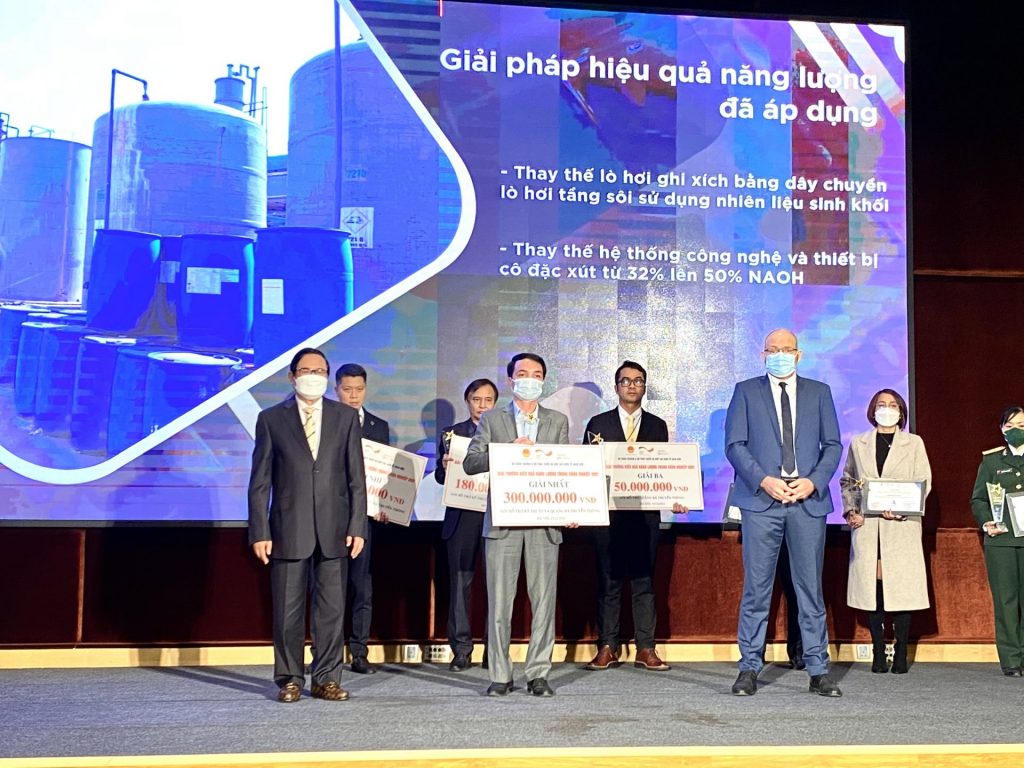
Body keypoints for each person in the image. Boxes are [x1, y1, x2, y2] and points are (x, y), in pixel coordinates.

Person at [724, 328, 843, 697]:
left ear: (798, 354)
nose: (779, 355)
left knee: (810, 589)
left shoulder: (819, 392)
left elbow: (833, 444)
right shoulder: (746, 391)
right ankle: (749, 667)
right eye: (772, 350)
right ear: (763, 355)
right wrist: (763, 480)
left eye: (786, 349)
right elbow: (735, 444)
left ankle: (818, 669)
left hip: (807, 502)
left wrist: (813, 481)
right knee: (756, 589)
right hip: (762, 501)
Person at [248, 348, 367, 703]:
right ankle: (289, 679)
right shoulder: (271, 419)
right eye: (306, 370)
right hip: (288, 527)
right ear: (292, 376)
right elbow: (260, 482)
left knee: (331, 611)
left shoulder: (345, 417)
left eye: (320, 371)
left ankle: (326, 678)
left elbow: (356, 478)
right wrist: (260, 531)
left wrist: (357, 525)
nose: (313, 376)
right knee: (287, 610)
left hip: (335, 528)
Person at [463, 352, 571, 697]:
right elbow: (470, 462)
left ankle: (538, 673)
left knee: (544, 603)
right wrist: (506, 450)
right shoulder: (492, 419)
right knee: (500, 603)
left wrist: (573, 506)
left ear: (544, 381)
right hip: (503, 522)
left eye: (536, 374)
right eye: (523, 374)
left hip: (544, 522)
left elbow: (567, 467)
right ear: (511, 380)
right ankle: (500, 674)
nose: (530, 379)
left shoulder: (557, 421)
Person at [582, 361, 684, 672]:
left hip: (644, 518)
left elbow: (665, 470)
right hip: (608, 517)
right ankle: (607, 647)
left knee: (644, 583)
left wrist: (677, 495)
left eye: (638, 381)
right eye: (625, 381)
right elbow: (586, 469)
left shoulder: (657, 425)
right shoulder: (597, 423)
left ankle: (646, 647)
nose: (631, 386)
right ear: (616, 387)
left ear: (644, 387)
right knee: (608, 583)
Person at [841, 389, 932, 674]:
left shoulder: (914, 443)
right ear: (872, 410)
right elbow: (848, 481)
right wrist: (851, 511)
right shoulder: (859, 443)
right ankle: (878, 650)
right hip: (868, 526)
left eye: (893, 405)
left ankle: (901, 651)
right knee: (874, 587)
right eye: (881, 404)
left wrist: (905, 508)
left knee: (901, 588)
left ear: (901, 411)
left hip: (902, 526)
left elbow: (924, 481)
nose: (887, 409)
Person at [435, 377, 499, 671]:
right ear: (467, 401)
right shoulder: (452, 435)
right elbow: (440, 477)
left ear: (495, 404)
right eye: (476, 399)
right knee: (460, 583)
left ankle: (493, 650)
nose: (482, 406)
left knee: (496, 585)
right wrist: (444, 468)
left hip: (494, 515)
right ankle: (461, 650)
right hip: (461, 517)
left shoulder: (503, 433)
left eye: (488, 400)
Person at [335, 362, 391, 675]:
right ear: (337, 390)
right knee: (328, 587)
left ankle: (359, 652)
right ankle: (325, 652)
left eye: (359, 389)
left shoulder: (378, 426)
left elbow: (385, 473)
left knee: (362, 587)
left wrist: (387, 503)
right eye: (347, 390)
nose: (353, 395)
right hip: (330, 517)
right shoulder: (326, 422)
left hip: (365, 518)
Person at [970, 406, 1024, 676]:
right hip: (1001, 540)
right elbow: (978, 499)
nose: (1016, 430)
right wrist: (985, 521)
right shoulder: (992, 462)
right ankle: (1011, 659)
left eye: (1022, 425)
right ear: (1002, 429)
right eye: (1010, 425)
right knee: (1006, 601)